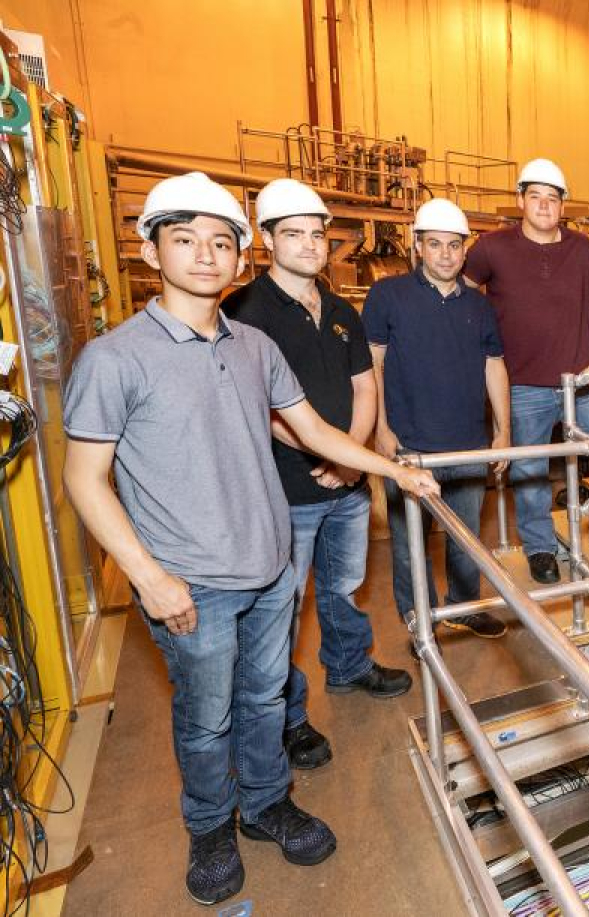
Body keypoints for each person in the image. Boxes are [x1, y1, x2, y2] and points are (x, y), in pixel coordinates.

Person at [61, 172, 437, 907]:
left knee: (266, 695)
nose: (206, 254)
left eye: (220, 241)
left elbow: (317, 431)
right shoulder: (115, 358)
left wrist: (393, 470)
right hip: (188, 580)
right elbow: (84, 480)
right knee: (208, 718)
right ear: (151, 251)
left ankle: (265, 803)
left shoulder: (256, 346)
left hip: (269, 568)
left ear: (240, 258)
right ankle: (208, 828)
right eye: (186, 239)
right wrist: (148, 575)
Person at [223, 179, 412, 775]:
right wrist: (322, 456)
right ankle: (287, 715)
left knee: (342, 586)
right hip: (287, 488)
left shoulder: (338, 310)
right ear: (267, 239)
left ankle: (351, 665)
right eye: (294, 234)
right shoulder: (243, 313)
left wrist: (348, 456)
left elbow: (365, 385)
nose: (309, 245)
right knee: (282, 605)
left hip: (346, 485)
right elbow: (259, 408)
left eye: (316, 234)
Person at [464, 159, 589, 584]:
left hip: (584, 384)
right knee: (530, 471)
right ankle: (539, 548)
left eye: (552, 198)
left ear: (563, 205)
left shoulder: (584, 249)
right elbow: (462, 295)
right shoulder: (492, 248)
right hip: (522, 384)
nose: (544, 205)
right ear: (520, 200)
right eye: (535, 196)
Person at [363, 198, 511, 639]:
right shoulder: (388, 296)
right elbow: (372, 364)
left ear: (465, 250)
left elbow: (495, 365)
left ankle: (463, 607)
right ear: (417, 247)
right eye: (435, 245)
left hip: (467, 444)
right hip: (409, 446)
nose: (445, 254)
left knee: (465, 538)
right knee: (411, 547)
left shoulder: (480, 307)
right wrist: (381, 429)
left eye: (453, 245)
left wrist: (503, 432)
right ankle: (420, 624)